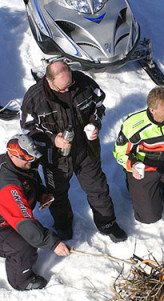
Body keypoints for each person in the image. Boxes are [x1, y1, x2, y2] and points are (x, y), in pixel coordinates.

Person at [20, 59, 126, 242]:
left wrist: (95, 123)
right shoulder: (35, 98)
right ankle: (63, 225)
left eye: (69, 85)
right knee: (57, 195)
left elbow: (99, 104)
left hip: (86, 150)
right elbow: (27, 129)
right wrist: (54, 139)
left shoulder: (83, 82)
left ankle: (107, 224)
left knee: (98, 189)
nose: (67, 90)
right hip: (56, 159)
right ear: (49, 80)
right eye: (62, 88)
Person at [0, 134, 71, 291]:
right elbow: (25, 223)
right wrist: (53, 243)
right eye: (26, 158)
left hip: (4, 216)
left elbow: (29, 180)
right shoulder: (7, 185)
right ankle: (21, 281)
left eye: (31, 158)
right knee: (25, 246)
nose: (30, 162)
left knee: (29, 235)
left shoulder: (17, 165)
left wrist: (40, 194)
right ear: (11, 154)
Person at [113, 87, 164, 224]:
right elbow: (119, 153)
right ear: (152, 110)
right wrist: (132, 165)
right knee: (149, 217)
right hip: (144, 168)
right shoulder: (133, 125)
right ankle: (135, 185)